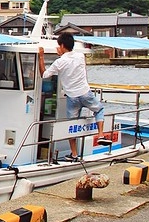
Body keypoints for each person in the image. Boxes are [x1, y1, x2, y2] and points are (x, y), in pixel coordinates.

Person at [38, 33, 104, 161]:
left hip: (72, 97)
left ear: (62, 45)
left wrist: (41, 56)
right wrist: (62, 54)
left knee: (71, 125)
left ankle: (74, 154)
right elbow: (71, 59)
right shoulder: (81, 56)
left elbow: (44, 75)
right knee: (99, 109)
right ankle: (100, 134)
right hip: (85, 93)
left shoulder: (59, 62)